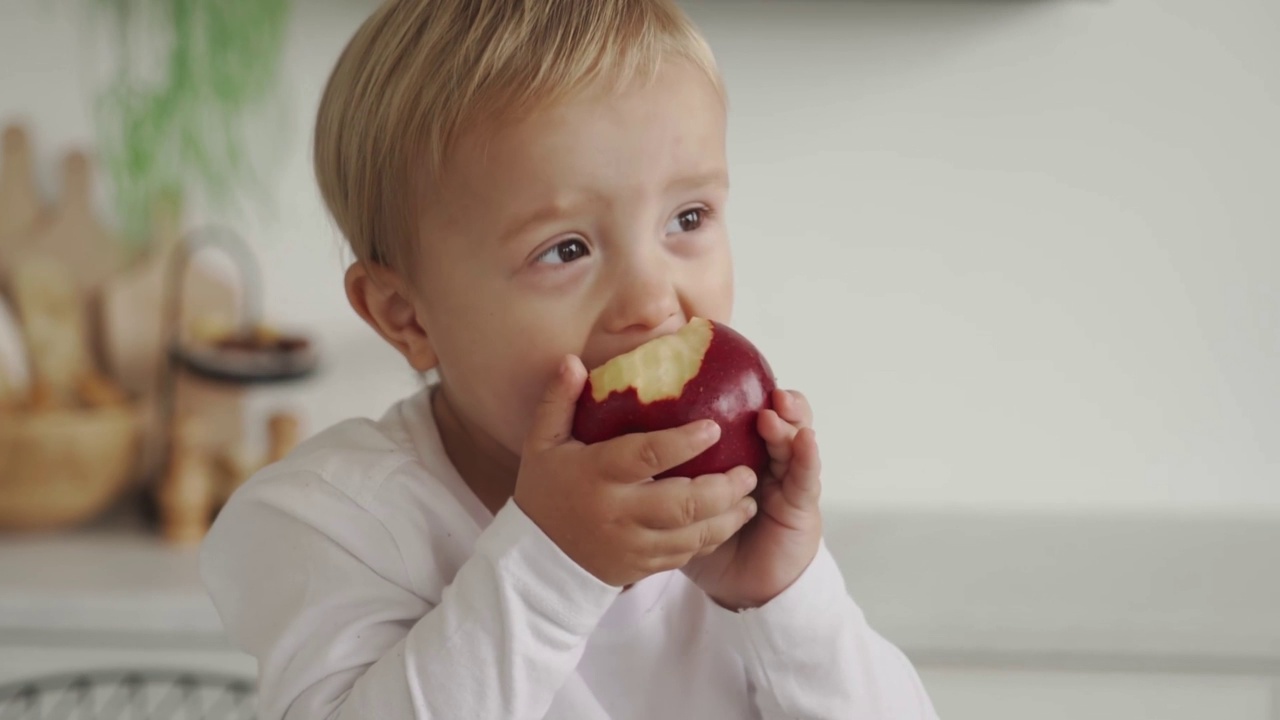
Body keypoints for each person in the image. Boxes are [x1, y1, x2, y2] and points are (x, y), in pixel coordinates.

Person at [200, 1, 939, 718]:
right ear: (408, 315)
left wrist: (785, 598)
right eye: (566, 249)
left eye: (688, 218)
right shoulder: (333, 522)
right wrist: (555, 565)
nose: (654, 300)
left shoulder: (727, 515)